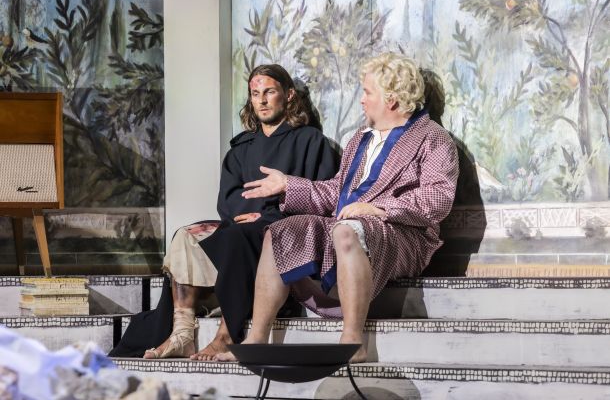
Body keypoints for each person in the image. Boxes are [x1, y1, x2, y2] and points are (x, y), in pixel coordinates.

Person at [216, 53, 459, 363]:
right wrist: (288, 185)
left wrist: (378, 208)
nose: (362, 100)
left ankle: (353, 341)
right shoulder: (361, 139)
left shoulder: (432, 138)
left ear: (392, 100)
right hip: (349, 222)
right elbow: (336, 192)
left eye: (368, 92)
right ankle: (257, 339)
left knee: (346, 231)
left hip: (402, 234)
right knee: (278, 231)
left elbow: (437, 198)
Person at [109, 64, 338, 360]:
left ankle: (225, 335)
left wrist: (267, 216)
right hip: (240, 225)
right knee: (187, 235)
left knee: (236, 237)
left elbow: (321, 196)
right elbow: (228, 199)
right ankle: (182, 333)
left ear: (289, 95)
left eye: (269, 92)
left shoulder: (311, 141)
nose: (262, 100)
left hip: (284, 228)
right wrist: (250, 214)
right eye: (255, 94)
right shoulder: (241, 149)